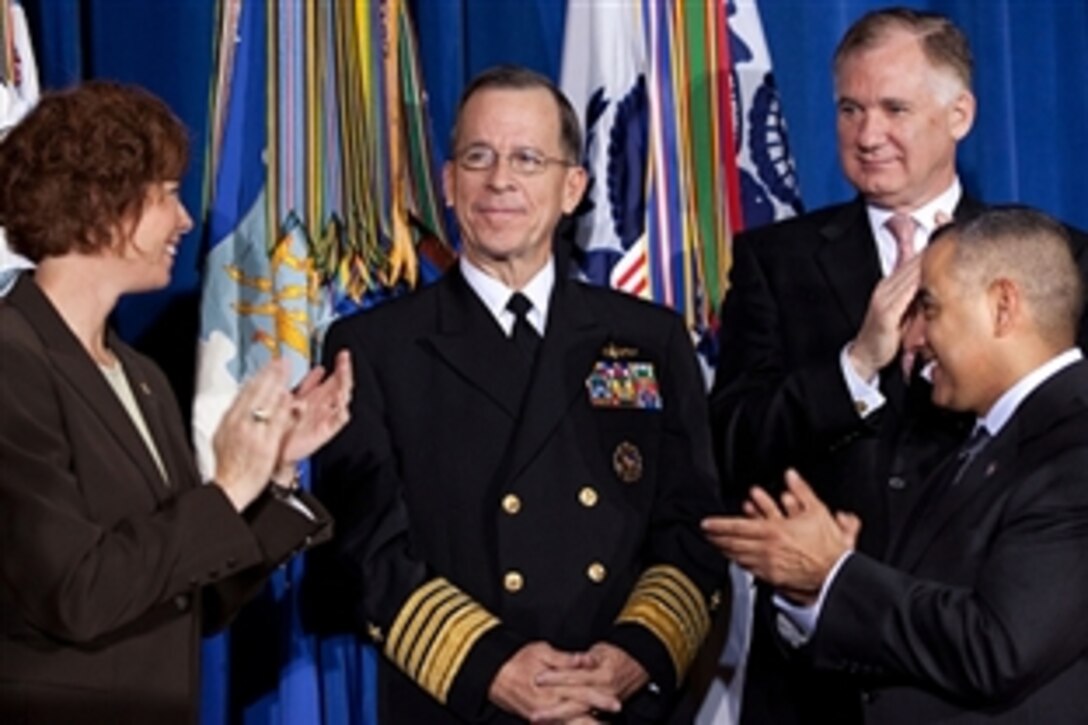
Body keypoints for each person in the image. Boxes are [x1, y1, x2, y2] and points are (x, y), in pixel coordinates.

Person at [706, 8, 1088, 723]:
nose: (867, 133)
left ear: (960, 113)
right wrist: (853, 367)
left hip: (987, 672)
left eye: (894, 108)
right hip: (809, 680)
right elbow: (728, 448)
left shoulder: (1052, 261)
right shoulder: (775, 262)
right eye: (850, 109)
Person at [313, 65, 727, 724]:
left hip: (614, 704)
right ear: (448, 183)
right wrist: (496, 670)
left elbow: (692, 530)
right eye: (479, 157)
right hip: (462, 703)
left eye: (527, 159)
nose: (499, 180)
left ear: (573, 188)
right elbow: (368, 550)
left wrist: (626, 659)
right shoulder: (373, 347)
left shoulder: (648, 337)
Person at [0, 81, 352, 724]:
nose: (185, 219)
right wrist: (226, 488)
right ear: (102, 201)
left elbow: (196, 596)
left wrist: (270, 475)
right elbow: (77, 593)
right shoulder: (10, 360)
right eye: (166, 193)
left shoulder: (139, 376)